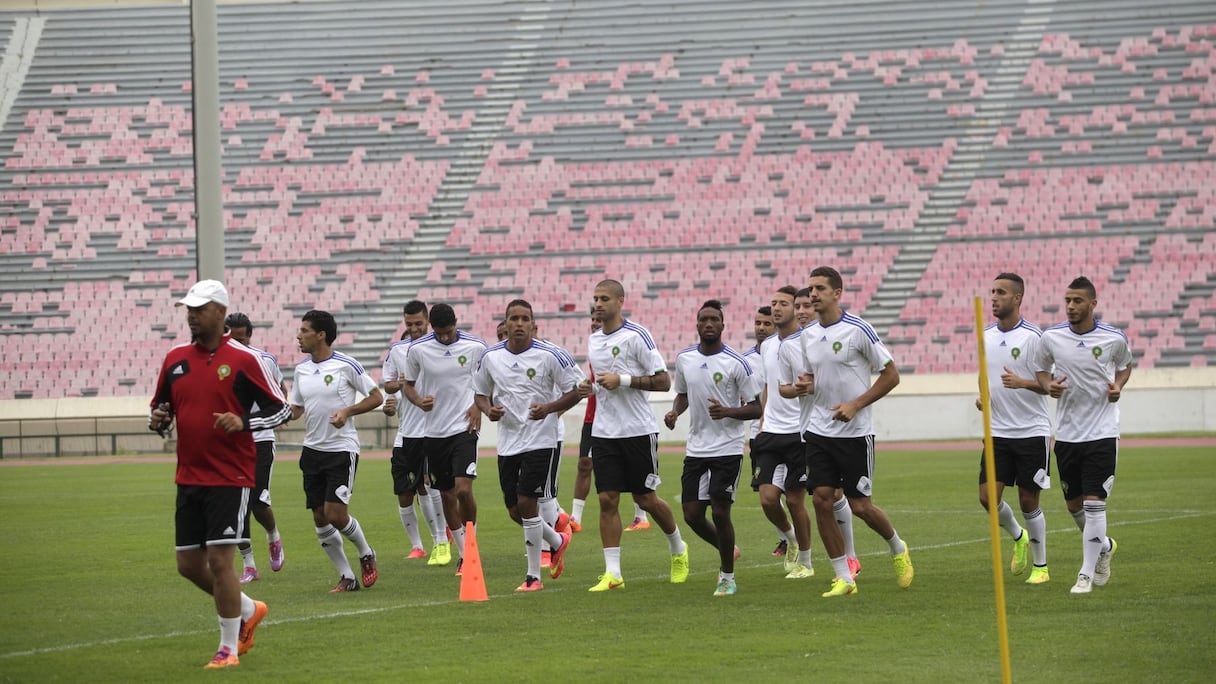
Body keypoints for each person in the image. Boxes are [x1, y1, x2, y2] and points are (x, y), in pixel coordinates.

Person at [149, 279, 290, 668]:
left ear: (220, 312)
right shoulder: (175, 359)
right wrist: (158, 418)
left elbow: (282, 409)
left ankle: (228, 649)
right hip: (188, 476)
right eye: (188, 309)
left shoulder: (245, 359)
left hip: (230, 476)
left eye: (199, 308)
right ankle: (247, 608)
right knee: (187, 565)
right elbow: (160, 408)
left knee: (220, 562)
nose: (192, 315)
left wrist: (243, 422)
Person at [779, 266, 912, 598]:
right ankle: (843, 577)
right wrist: (804, 385)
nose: (813, 294)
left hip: (855, 433)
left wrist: (855, 403)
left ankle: (897, 547)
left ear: (837, 293)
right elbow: (810, 377)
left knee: (861, 506)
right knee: (822, 500)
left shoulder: (858, 330)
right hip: (818, 432)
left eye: (820, 288)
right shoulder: (807, 336)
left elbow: (891, 375)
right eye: (810, 288)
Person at [581, 278, 689, 591]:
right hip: (604, 431)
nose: (598, 304)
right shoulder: (593, 340)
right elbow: (604, 382)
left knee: (646, 498)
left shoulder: (637, 335)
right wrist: (591, 387)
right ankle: (613, 573)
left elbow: (663, 382)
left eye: (604, 298)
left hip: (638, 431)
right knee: (606, 498)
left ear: (620, 301)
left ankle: (678, 548)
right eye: (595, 298)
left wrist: (623, 380)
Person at [474, 300, 584, 591]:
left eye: (525, 318)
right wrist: (488, 411)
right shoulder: (490, 357)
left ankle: (533, 577)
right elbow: (480, 394)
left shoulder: (550, 355)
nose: (519, 323)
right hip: (508, 443)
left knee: (527, 503)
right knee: (514, 511)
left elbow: (577, 391)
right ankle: (558, 540)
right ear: (506, 324)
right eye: (514, 318)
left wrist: (549, 408)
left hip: (541, 440)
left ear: (534, 324)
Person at [1033, 276, 1132, 595]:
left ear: (1093, 304)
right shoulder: (1051, 337)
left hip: (1102, 433)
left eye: (1077, 301)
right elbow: (1041, 369)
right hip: (1066, 435)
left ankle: (1085, 574)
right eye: (1068, 301)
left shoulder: (1114, 338)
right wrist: (1049, 386)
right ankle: (1104, 547)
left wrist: (1118, 386)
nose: (1071, 306)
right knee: (1073, 505)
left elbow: (1125, 365)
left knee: (1093, 504)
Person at [664, 300, 762, 596]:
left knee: (720, 512)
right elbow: (683, 393)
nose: (708, 324)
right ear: (697, 325)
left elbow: (757, 407)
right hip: (696, 448)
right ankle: (728, 548)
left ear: (723, 325)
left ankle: (727, 577)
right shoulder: (685, 359)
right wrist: (674, 412)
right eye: (703, 319)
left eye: (714, 320)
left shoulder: (737, 363)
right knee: (692, 514)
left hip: (727, 448)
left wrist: (729, 412)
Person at [290, 310, 384, 592]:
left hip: (341, 450)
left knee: (336, 514)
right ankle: (347, 576)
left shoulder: (346, 365)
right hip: (312, 451)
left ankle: (366, 553)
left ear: (321, 334)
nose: (299, 335)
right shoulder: (301, 370)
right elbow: (296, 409)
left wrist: (347, 410)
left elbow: (376, 396)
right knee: (319, 516)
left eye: (305, 330)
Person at [977, 273, 1053, 585]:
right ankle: (1019, 536)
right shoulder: (985, 336)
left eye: (1001, 293)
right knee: (986, 498)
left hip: (1031, 430)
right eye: (992, 292)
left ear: (1018, 298)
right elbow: (985, 375)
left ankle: (1041, 565)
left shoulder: (1034, 337)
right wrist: (983, 399)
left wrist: (1022, 383)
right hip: (997, 432)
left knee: (1027, 500)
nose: (994, 297)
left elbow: (1049, 386)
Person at [402, 303, 487, 576]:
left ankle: (472, 545)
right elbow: (408, 385)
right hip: (434, 432)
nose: (445, 338)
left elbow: (489, 381)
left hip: (464, 429)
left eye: (449, 332)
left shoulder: (476, 347)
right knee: (447, 494)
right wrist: (418, 402)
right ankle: (464, 553)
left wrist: (478, 405)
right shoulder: (418, 349)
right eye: (440, 333)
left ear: (456, 324)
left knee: (463, 490)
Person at [754, 287, 820, 579]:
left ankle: (805, 560)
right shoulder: (767, 345)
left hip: (799, 432)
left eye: (783, 304)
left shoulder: (806, 342)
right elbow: (769, 384)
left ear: (796, 308)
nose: (777, 308)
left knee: (795, 500)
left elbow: (813, 383)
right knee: (768, 498)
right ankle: (791, 538)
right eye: (774, 304)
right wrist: (763, 417)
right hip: (770, 431)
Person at [223, 312, 288, 584]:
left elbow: (280, 391)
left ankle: (273, 535)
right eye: (232, 339)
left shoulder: (264, 360)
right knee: (235, 506)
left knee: (257, 500)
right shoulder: (219, 363)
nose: (237, 345)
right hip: (231, 443)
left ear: (249, 336)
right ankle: (249, 564)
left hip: (260, 439)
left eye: (242, 339)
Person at [383, 301, 449, 562]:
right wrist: (395, 389)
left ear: (428, 322)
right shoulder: (398, 350)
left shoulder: (439, 348)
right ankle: (423, 544)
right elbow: (388, 384)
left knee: (432, 487)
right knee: (407, 490)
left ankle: (441, 541)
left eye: (418, 324)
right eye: (409, 324)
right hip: (408, 433)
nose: (413, 329)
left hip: (434, 430)